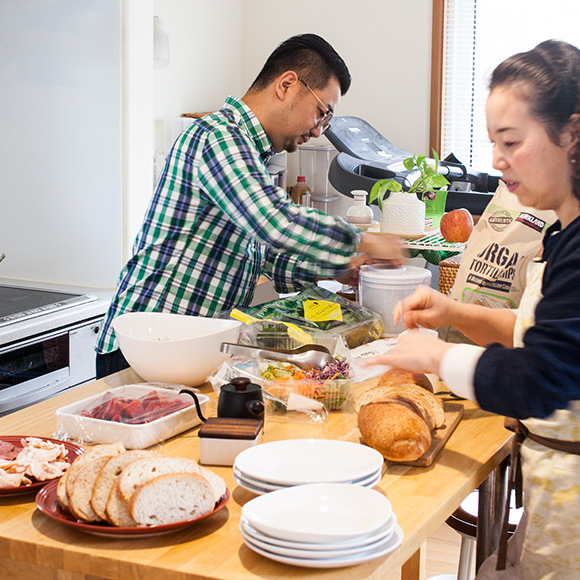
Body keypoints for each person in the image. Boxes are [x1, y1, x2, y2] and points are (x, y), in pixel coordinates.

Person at [365, 40, 580, 578]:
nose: (496, 162)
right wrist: (453, 311)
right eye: (492, 142)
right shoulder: (562, 232)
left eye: (510, 141)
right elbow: (541, 335)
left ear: (572, 134)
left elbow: (540, 376)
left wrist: (435, 358)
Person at [95, 33, 403, 379]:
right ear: (287, 84)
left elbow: (259, 254)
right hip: (146, 347)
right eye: (321, 113)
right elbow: (273, 221)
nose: (318, 132)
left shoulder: (250, 155)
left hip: (185, 349)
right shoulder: (217, 137)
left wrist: (335, 268)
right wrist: (361, 240)